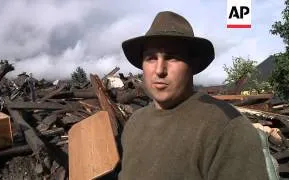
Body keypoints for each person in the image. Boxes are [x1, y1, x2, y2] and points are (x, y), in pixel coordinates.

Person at [118, 11, 278, 180]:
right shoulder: (135, 124)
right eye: (151, 58)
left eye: (172, 57)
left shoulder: (227, 128)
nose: (159, 70)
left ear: (192, 65)